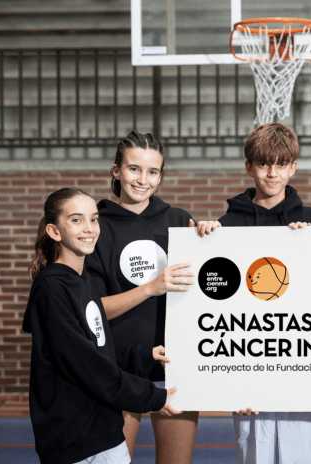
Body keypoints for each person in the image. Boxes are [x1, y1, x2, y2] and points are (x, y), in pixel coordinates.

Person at [23, 187, 181, 464]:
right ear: (54, 231)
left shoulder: (82, 283)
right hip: (76, 442)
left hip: (105, 432)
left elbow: (97, 349)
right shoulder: (53, 289)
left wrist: (141, 357)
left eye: (94, 219)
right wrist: (151, 396)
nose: (89, 228)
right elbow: (87, 366)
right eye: (76, 220)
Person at [84, 131, 215, 463]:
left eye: (153, 171)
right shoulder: (96, 228)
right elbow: (91, 311)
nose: (143, 180)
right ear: (116, 171)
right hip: (118, 369)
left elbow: (207, 288)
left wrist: (212, 239)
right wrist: (151, 287)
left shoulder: (178, 221)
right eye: (134, 169)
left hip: (174, 365)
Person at [217, 122, 311, 464]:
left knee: (302, 455)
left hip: (299, 358)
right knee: (253, 453)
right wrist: (206, 239)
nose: (272, 173)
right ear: (249, 167)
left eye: (281, 164)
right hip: (248, 358)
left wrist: (309, 246)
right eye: (263, 164)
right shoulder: (226, 226)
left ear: (293, 167)